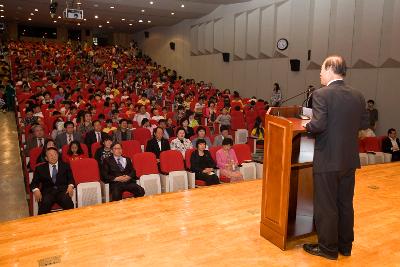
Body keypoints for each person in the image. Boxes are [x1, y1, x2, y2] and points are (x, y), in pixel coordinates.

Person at [303, 55, 369, 260]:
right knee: (344, 204)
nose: (320, 74)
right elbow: (363, 124)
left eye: (322, 70)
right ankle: (345, 246)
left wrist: (307, 124)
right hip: (349, 160)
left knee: (327, 206)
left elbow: (319, 125)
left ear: (331, 68)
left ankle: (328, 249)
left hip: (327, 160)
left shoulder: (321, 94)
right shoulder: (358, 95)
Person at [30, 147, 75, 215]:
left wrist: (70, 186)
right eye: (50, 155)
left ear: (58, 155)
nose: (53, 157)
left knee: (68, 203)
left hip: (62, 191)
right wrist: (36, 189)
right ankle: (42, 223)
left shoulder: (65, 166)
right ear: (46, 158)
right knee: (44, 205)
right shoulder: (40, 168)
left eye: (55, 154)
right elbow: (34, 183)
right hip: (48, 192)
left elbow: (71, 179)